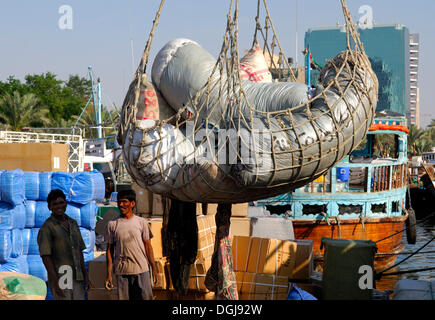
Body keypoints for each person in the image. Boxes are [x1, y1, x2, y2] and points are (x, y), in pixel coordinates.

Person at [37, 189, 92, 300]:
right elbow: (45, 257)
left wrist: (86, 276)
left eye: (61, 202)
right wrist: (55, 281)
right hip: (62, 277)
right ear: (49, 207)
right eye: (55, 204)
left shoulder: (73, 223)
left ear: (66, 203)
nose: (59, 206)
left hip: (77, 276)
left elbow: (79, 251)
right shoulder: (47, 228)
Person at [105, 189, 157, 300]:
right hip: (122, 271)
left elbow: (148, 246)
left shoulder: (141, 222)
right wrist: (109, 275)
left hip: (141, 270)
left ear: (132, 204)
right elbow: (109, 250)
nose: (121, 205)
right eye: (119, 202)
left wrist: (154, 268)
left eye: (124, 202)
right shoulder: (112, 224)